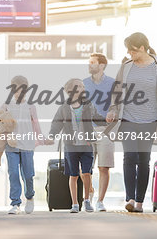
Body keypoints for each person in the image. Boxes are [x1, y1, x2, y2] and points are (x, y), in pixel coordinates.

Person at [106, 32, 157, 213]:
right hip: (128, 119)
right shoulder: (126, 67)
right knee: (129, 157)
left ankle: (139, 202)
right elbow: (116, 91)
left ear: (142, 48)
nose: (130, 54)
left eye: (132, 50)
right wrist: (113, 109)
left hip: (149, 120)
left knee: (144, 160)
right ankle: (130, 198)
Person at [49, 78, 107, 213]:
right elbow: (56, 123)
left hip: (86, 144)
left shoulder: (88, 104)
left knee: (87, 173)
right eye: (79, 86)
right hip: (71, 145)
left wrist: (106, 121)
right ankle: (75, 204)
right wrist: (52, 136)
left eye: (82, 86)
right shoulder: (64, 107)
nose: (83, 88)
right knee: (73, 175)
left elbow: (96, 117)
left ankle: (86, 200)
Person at [3, 75, 51, 214]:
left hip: (28, 145)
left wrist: (42, 139)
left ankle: (29, 197)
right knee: (13, 173)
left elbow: (36, 125)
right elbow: (0, 122)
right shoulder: (6, 105)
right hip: (11, 144)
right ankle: (15, 203)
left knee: (28, 174)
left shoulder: (31, 106)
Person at [82, 53, 115, 212]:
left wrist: (112, 112)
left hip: (105, 130)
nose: (89, 65)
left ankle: (100, 201)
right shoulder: (83, 84)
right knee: (85, 169)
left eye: (92, 63)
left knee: (104, 167)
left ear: (101, 65)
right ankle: (89, 192)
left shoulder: (112, 83)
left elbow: (117, 104)